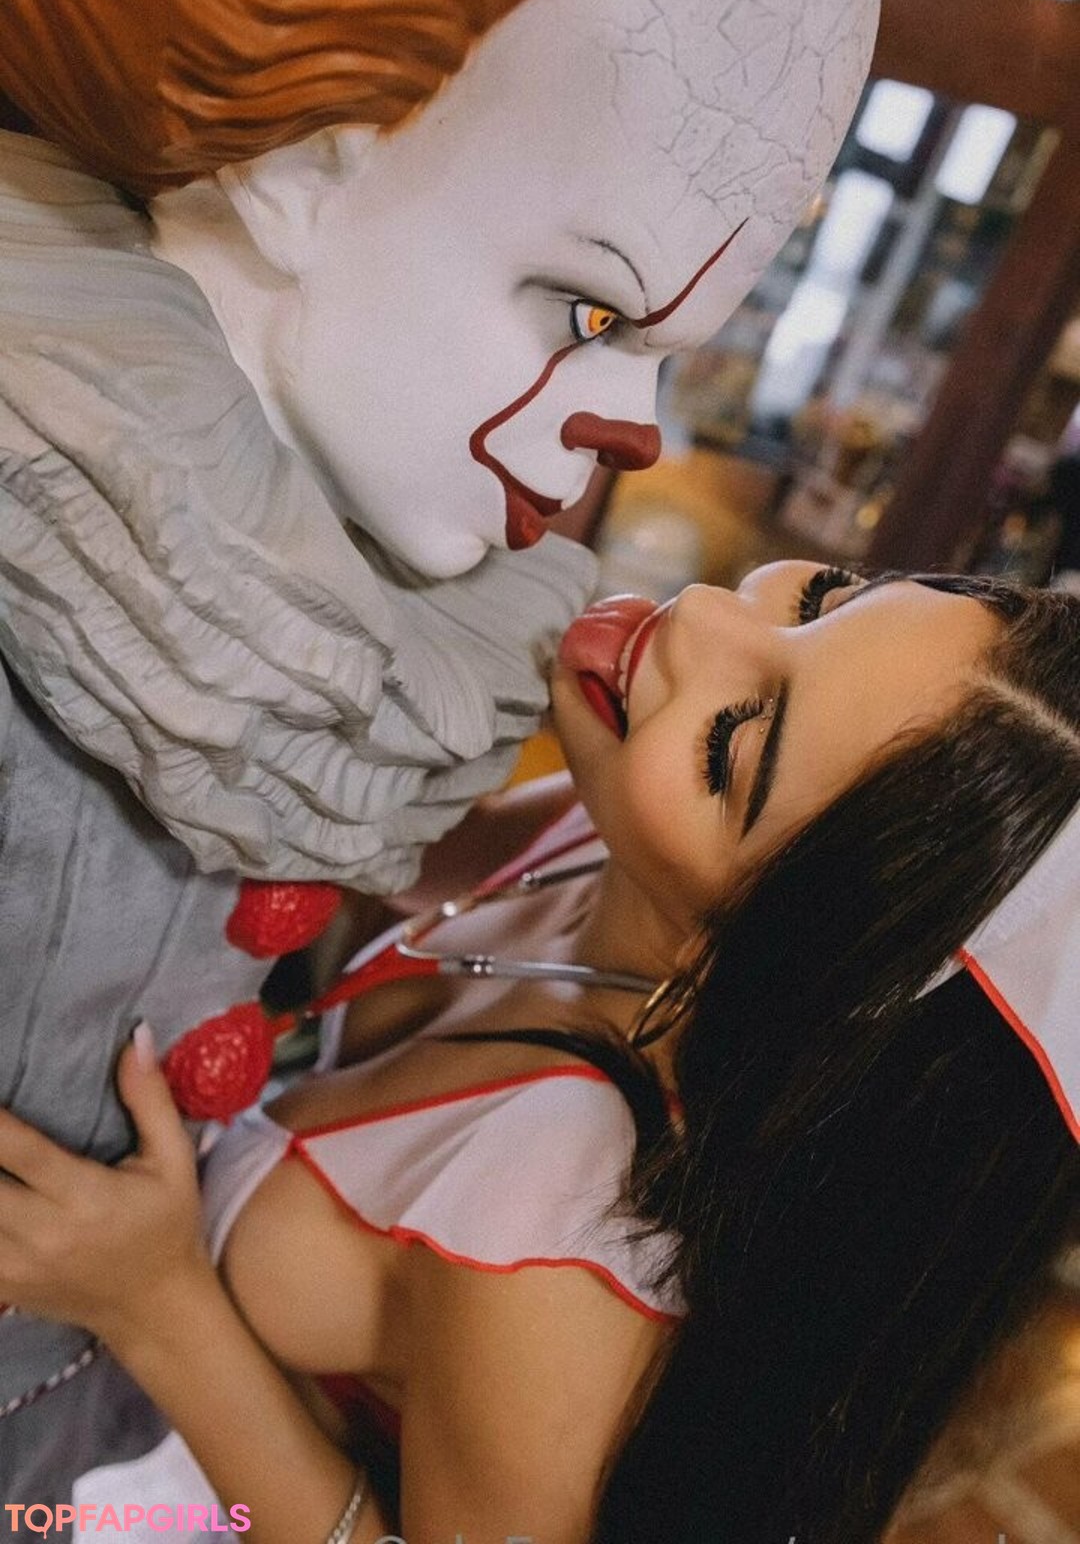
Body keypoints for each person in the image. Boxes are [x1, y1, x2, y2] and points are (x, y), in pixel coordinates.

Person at [0, 0, 881, 1430]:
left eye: (666, 352)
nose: (636, 428)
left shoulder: (343, 589)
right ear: (298, 172)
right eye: (589, 310)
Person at [1, 560, 1076, 1543]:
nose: (704, 615)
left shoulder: (566, 1226)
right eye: (821, 598)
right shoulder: (615, 827)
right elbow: (374, 846)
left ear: (792, 971)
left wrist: (156, 1302)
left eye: (734, 742)